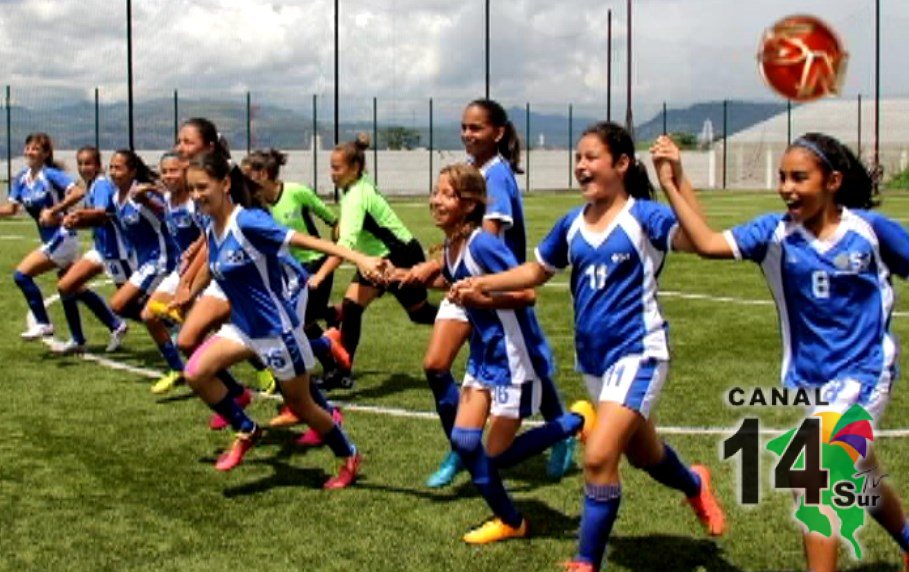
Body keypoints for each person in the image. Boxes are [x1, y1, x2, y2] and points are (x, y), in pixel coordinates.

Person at [451, 122, 726, 571]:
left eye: (591, 157)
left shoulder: (644, 217)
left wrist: (674, 178)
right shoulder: (573, 224)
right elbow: (536, 271)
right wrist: (483, 282)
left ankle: (585, 561)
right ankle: (694, 482)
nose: (581, 165)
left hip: (639, 352)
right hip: (595, 363)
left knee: (598, 455)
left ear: (621, 164)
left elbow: (700, 240)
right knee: (644, 455)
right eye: (578, 157)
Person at [653, 131, 909, 572]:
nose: (787, 187)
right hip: (816, 379)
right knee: (860, 474)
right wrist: (673, 183)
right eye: (783, 177)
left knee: (812, 473)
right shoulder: (773, 234)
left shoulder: (869, 231)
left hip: (865, 371)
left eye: (799, 177)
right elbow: (708, 243)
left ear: (832, 181)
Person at [400, 163, 592, 544]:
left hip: (513, 359)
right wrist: (411, 276)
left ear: (469, 205)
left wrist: (479, 296)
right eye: (435, 192)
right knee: (467, 443)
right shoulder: (453, 247)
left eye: (445, 194)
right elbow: (458, 282)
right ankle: (511, 520)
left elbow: (527, 293)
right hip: (484, 357)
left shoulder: (483, 244)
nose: (434, 200)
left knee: (497, 455)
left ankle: (576, 421)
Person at [180, 150, 382, 486]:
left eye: (203, 187)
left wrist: (359, 257)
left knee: (301, 406)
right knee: (196, 373)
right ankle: (247, 430)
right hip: (243, 327)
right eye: (192, 189)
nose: (197, 195)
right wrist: (190, 287)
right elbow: (213, 264)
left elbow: (307, 241)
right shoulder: (207, 221)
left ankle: (348, 453)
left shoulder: (248, 222)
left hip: (276, 331)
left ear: (225, 183)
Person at [402, 99, 574, 488]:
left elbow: (485, 239)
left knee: (515, 359)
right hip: (469, 278)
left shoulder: (495, 177)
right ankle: (463, 446)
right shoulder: (473, 171)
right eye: (464, 127)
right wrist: (435, 264)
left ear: (497, 133)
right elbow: (458, 235)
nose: (467, 134)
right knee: (445, 364)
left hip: (491, 281)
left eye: (476, 128)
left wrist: (451, 273)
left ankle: (560, 430)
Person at [307, 133, 437, 390]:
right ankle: (342, 371)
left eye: (337, 167)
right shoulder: (355, 185)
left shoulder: (356, 195)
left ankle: (468, 320)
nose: (331, 173)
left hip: (400, 256)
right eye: (331, 167)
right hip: (377, 258)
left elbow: (345, 246)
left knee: (419, 314)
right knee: (351, 307)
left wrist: (320, 276)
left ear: (354, 168)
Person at [241, 149, 351, 437]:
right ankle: (328, 341)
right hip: (281, 275)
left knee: (290, 333)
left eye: (247, 174)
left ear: (263, 174)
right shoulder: (256, 206)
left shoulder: (297, 193)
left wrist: (329, 259)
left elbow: (332, 220)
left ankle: (306, 402)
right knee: (291, 333)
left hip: (309, 269)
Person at [0, 133, 99, 344]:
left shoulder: (51, 175)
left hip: (64, 237)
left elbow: (78, 192)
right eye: (28, 148)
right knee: (70, 286)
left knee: (21, 275)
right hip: (52, 240)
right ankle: (111, 326)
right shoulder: (21, 179)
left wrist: (54, 210)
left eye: (36, 149)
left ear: (45, 154)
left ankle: (43, 323)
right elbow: (11, 209)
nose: (30, 152)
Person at [105, 149, 184, 387]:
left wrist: (148, 199)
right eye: (111, 167)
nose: (114, 172)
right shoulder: (115, 198)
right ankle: (172, 328)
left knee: (124, 306)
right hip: (144, 261)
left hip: (161, 259)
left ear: (132, 171)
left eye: (119, 168)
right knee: (126, 307)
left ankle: (177, 361)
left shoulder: (139, 193)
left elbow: (167, 213)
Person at [53, 146, 130, 354]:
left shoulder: (102, 184)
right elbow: (96, 220)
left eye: (88, 163)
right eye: (80, 163)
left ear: (98, 165)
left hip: (117, 252)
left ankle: (173, 327)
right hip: (101, 249)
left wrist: (76, 217)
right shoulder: (93, 185)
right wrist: (74, 221)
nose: (84, 167)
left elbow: (101, 213)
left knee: (130, 305)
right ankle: (81, 338)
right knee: (66, 284)